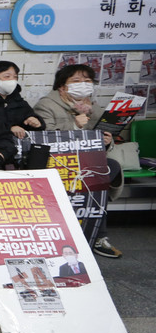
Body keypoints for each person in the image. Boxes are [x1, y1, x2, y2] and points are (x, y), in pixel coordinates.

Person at [34, 64, 123, 258]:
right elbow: (43, 137)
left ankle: (96, 233)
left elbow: (99, 137)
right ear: (62, 86)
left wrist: (106, 142)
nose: (83, 85)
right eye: (76, 81)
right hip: (57, 163)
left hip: (86, 162)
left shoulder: (92, 106)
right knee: (96, 182)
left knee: (109, 168)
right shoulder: (46, 105)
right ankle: (94, 233)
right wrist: (73, 125)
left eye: (87, 81)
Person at [0, 61, 45, 139]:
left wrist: (35, 122)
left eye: (15, 77)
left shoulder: (17, 99)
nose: (12, 80)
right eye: (7, 76)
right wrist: (8, 129)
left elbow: (29, 117)